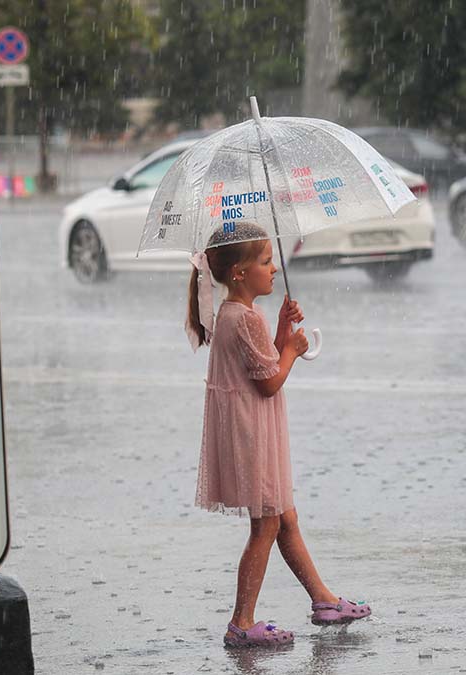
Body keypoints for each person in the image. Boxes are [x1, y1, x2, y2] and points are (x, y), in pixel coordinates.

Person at [186, 222, 371, 648]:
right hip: (253, 432)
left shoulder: (238, 314)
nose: (273, 270)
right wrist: (293, 349)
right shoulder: (243, 318)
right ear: (239, 273)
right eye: (266, 262)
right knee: (267, 522)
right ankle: (242, 621)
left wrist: (283, 331)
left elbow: (259, 362)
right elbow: (270, 379)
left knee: (284, 516)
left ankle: (323, 599)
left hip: (252, 427)